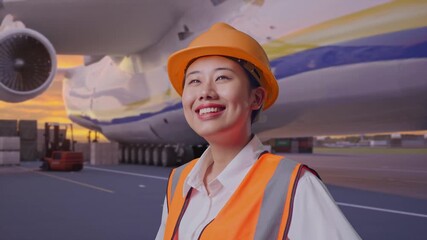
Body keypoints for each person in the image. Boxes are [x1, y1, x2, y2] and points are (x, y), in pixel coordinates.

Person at [155, 22, 361, 240]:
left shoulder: (291, 184)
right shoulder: (179, 181)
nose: (205, 92)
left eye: (222, 77)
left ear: (256, 98)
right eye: (194, 80)